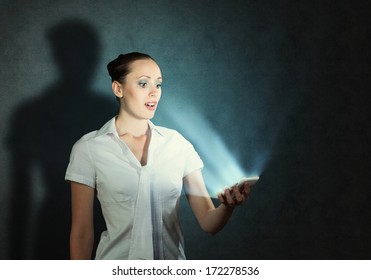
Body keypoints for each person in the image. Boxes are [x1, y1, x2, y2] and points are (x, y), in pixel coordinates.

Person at [65, 52, 253, 260]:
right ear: (118, 89)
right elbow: (82, 234)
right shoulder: (89, 148)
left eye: (159, 84)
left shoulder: (177, 144)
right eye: (143, 84)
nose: (154, 93)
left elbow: (209, 222)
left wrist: (228, 205)